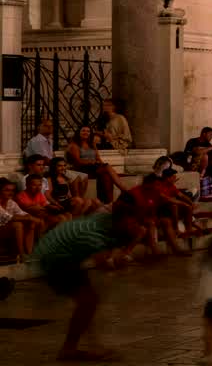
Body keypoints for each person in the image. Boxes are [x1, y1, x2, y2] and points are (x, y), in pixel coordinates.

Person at [29, 196, 141, 361]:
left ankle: (87, 346)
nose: (134, 226)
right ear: (120, 221)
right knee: (88, 301)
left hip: (65, 253)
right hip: (54, 257)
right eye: (130, 223)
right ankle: (70, 349)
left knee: (88, 302)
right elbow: (103, 265)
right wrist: (123, 261)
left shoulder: (106, 219)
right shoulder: (93, 235)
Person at [66, 125, 129, 203]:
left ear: (90, 133)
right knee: (107, 167)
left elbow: (98, 158)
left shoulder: (92, 144)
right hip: (81, 168)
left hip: (93, 167)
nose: (86, 133)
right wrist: (91, 162)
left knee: (106, 174)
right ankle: (123, 189)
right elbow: (78, 161)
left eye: (88, 131)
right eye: (83, 131)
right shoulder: (74, 145)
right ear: (79, 132)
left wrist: (101, 164)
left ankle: (106, 201)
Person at [0, 178, 40, 258]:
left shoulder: (11, 202)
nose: (10, 193)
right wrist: (30, 218)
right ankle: (21, 254)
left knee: (30, 222)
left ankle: (29, 252)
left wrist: (29, 217)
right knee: (18, 224)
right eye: (7, 190)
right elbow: (9, 217)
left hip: (5, 227)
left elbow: (22, 213)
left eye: (12, 190)